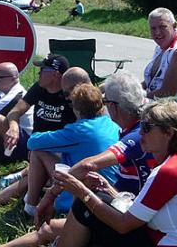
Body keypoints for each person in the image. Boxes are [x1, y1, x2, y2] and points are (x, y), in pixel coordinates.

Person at [0, 73, 153, 247]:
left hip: (117, 212)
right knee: (52, 177)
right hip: (119, 201)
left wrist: (52, 193)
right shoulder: (121, 128)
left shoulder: (130, 137)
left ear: (113, 106)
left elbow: (88, 164)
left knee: (50, 228)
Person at [32, 101, 177, 247]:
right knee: (97, 199)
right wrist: (108, 190)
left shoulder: (169, 171)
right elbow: (137, 212)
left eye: (147, 127)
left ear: (168, 133)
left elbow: (124, 225)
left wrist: (82, 192)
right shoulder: (174, 164)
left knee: (85, 205)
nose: (140, 133)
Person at [0, 55, 73, 192]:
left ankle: (21, 178)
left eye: (43, 69)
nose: (39, 73)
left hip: (54, 150)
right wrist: (13, 126)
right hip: (32, 144)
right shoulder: (39, 88)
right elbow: (15, 111)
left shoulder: (69, 96)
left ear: (54, 74)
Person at [24, 81, 120, 222]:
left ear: (76, 109)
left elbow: (32, 142)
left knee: (38, 152)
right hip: (111, 190)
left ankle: (30, 207)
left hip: (83, 195)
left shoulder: (78, 130)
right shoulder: (111, 124)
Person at [141, 7, 177, 112]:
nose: (157, 32)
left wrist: (137, 97)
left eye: (163, 27)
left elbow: (167, 93)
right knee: (114, 98)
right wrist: (129, 89)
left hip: (176, 109)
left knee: (121, 107)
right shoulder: (160, 47)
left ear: (174, 26)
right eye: (153, 28)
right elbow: (150, 81)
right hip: (157, 102)